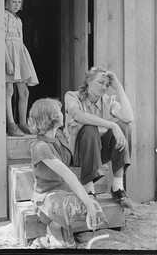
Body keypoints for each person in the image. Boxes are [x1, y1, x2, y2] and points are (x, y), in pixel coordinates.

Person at [28, 98, 108, 249]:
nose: (63, 114)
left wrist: (70, 134)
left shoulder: (57, 135)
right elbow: (68, 174)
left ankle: (62, 226)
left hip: (63, 194)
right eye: (59, 111)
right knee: (88, 204)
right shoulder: (39, 146)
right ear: (52, 117)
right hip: (47, 200)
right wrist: (89, 205)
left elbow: (67, 158)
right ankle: (54, 226)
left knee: (92, 205)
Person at [64, 66, 134, 209]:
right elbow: (80, 116)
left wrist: (119, 87)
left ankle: (117, 187)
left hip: (96, 154)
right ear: (89, 81)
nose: (104, 87)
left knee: (124, 126)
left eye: (107, 85)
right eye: (100, 82)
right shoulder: (72, 96)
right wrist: (112, 126)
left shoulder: (108, 101)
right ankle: (89, 189)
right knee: (90, 128)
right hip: (74, 153)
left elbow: (128, 117)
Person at [5, 0, 39, 136]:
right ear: (6, 0)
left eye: (19, 2)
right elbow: (1, 39)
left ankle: (23, 123)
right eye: (14, 1)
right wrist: (7, 61)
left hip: (19, 55)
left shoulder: (19, 20)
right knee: (9, 90)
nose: (17, 5)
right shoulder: (3, 16)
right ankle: (11, 124)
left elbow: (20, 41)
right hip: (8, 55)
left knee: (24, 92)